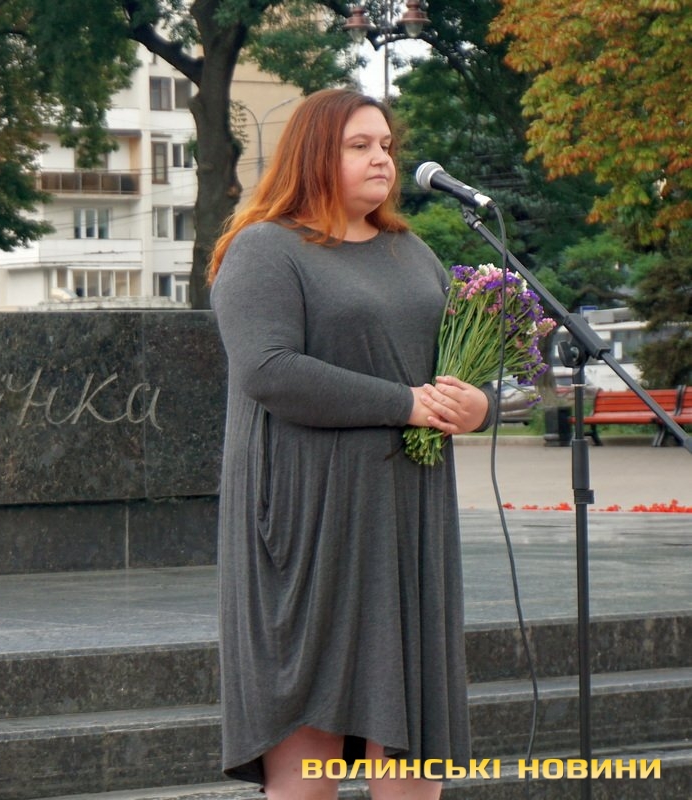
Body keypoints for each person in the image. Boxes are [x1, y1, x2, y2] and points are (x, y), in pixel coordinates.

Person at [208, 88, 492, 799]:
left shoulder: (409, 251)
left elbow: (453, 362)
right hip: (313, 526)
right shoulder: (265, 248)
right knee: (309, 776)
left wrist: (478, 404)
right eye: (358, 146)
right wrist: (404, 404)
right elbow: (269, 371)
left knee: (412, 767)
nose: (381, 159)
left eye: (386, 146)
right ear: (312, 155)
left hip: (407, 523)